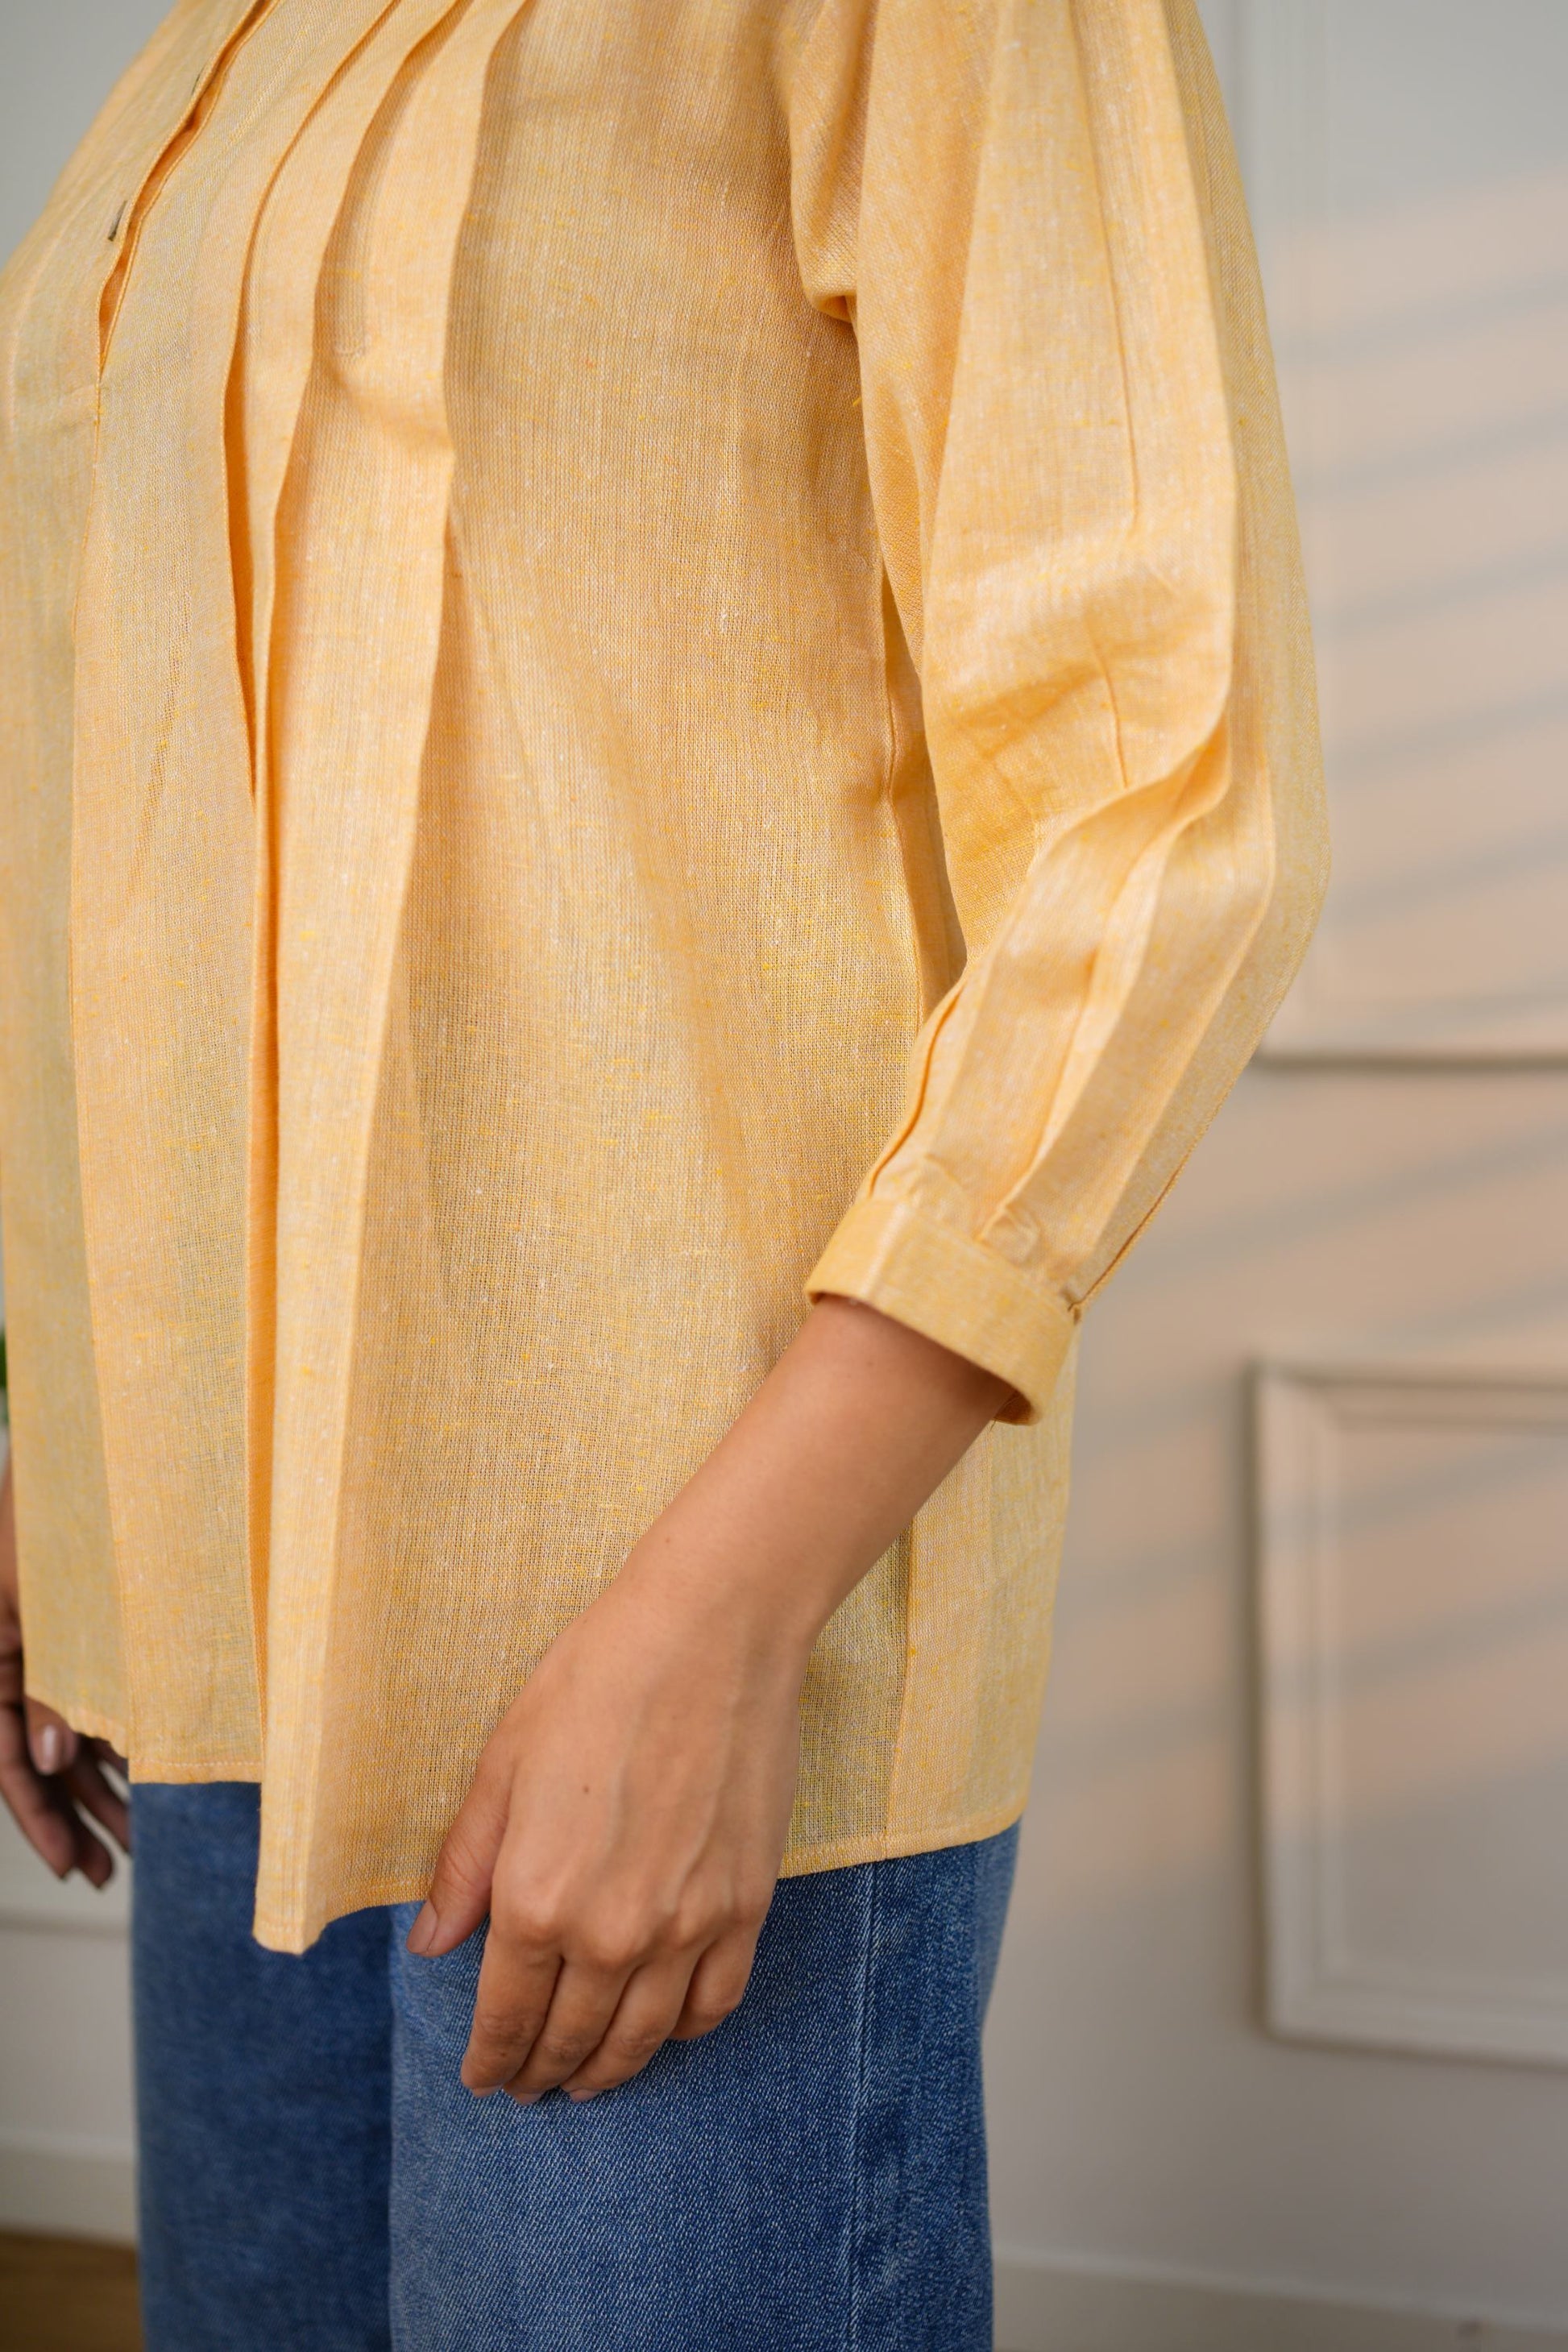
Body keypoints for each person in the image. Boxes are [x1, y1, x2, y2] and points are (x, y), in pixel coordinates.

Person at [0, 2, 1326, 2346]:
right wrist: (64, 1436)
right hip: (220, 1638)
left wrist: (718, 1621)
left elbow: (1166, 813)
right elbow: (113, 793)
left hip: (676, 1631)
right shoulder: (226, 31)